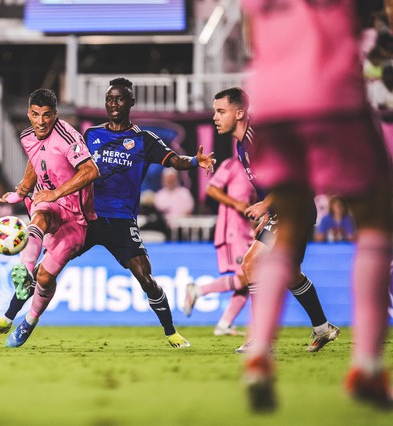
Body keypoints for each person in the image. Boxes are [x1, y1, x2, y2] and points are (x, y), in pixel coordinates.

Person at [0, 78, 216, 348]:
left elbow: (174, 160)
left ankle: (171, 331)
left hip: (120, 219)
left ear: (131, 102)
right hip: (86, 215)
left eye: (120, 99)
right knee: (42, 274)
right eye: (110, 99)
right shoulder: (90, 135)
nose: (114, 103)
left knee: (145, 276)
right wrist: (25, 188)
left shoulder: (143, 139)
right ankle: (11, 317)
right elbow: (43, 157)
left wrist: (196, 161)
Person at [240, 0, 392, 410]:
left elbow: (251, 31)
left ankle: (258, 360)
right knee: (377, 219)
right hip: (332, 93)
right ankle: (368, 367)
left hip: (271, 99)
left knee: (285, 228)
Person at [207, 87, 339, 355]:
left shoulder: (258, 140)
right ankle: (323, 327)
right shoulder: (242, 144)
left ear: (240, 112)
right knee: (290, 274)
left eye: (221, 111)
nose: (215, 117)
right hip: (286, 209)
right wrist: (269, 210)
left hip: (296, 207)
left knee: (251, 262)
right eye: (214, 112)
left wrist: (265, 205)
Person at [0, 88, 99, 348]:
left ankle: (29, 321)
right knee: (39, 216)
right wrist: (22, 192)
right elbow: (35, 161)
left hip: (75, 218)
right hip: (48, 204)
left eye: (47, 115)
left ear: (55, 115)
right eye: (36, 115)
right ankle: (25, 271)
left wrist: (56, 192)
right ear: (29, 114)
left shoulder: (68, 137)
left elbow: (91, 171)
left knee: (46, 278)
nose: (41, 121)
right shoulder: (28, 136)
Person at [184, 157, 256, 337]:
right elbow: (211, 189)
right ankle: (198, 290)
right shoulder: (233, 164)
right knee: (246, 277)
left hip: (248, 231)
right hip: (232, 229)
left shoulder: (259, 170)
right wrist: (236, 203)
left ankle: (224, 324)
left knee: (249, 280)